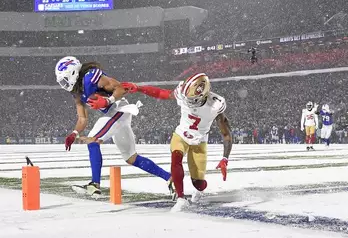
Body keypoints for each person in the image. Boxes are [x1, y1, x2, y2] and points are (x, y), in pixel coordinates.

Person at [55, 56, 173, 196]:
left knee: (92, 140)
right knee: (131, 158)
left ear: (73, 72)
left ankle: (94, 184)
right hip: (115, 114)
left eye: (65, 79)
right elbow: (82, 118)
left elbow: (120, 88)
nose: (64, 84)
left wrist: (107, 101)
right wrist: (74, 133)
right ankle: (170, 178)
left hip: (118, 108)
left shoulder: (90, 76)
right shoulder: (78, 93)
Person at [121, 72, 232, 213]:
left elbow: (226, 133)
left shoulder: (216, 104)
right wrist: (138, 88)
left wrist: (225, 158)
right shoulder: (183, 92)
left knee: (199, 184)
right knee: (176, 157)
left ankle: (199, 190)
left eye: (192, 99)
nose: (188, 101)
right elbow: (162, 93)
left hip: (199, 142)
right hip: (181, 135)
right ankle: (181, 198)